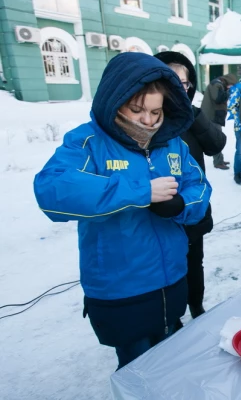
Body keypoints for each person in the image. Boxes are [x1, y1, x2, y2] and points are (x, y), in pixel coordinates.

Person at [33, 52, 212, 369]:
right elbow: (52, 190)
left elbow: (198, 187)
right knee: (136, 366)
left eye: (156, 111)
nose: (148, 120)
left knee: (169, 355)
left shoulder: (172, 143)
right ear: (115, 100)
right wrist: (140, 192)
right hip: (121, 287)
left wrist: (182, 204)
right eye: (137, 109)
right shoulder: (88, 142)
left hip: (172, 276)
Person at [154, 51, 226, 319]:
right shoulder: (148, 119)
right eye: (171, 80)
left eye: (184, 83)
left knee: (194, 262)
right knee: (165, 268)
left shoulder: (191, 115)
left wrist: (194, 116)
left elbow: (216, 145)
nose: (178, 88)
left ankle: (196, 305)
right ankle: (170, 318)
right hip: (160, 210)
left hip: (192, 206)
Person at [201, 74, 235, 170]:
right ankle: (218, 162)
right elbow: (218, 98)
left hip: (213, 115)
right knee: (216, 138)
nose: (231, 87)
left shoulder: (218, 84)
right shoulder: (216, 85)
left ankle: (219, 159)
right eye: (231, 85)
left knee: (216, 137)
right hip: (212, 116)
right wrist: (228, 92)